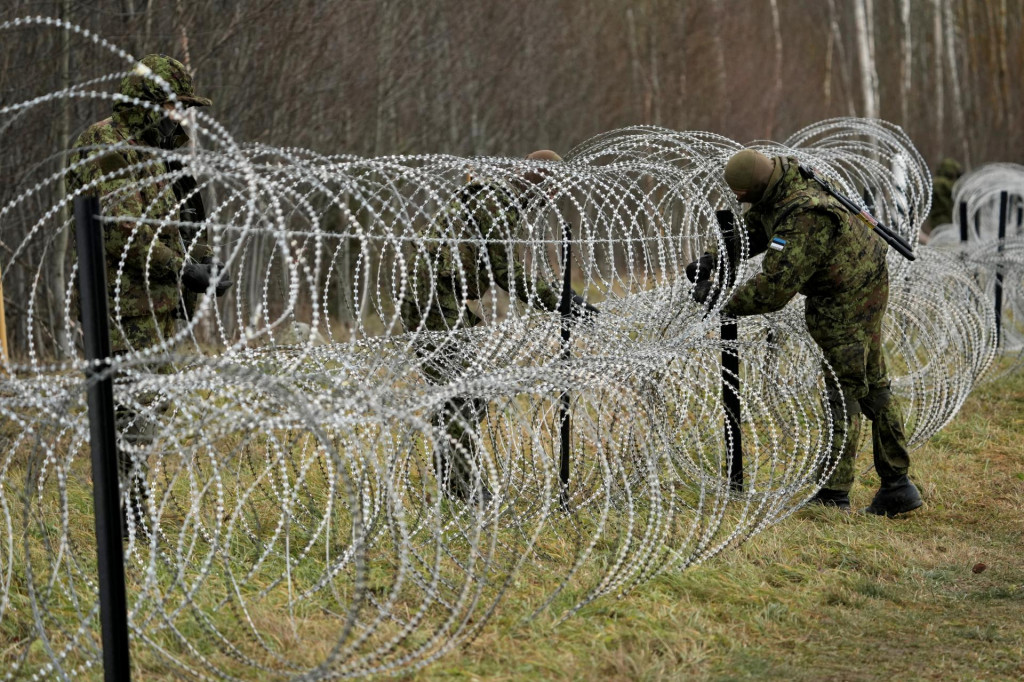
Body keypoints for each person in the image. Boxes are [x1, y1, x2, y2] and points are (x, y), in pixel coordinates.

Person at [65, 54, 231, 537]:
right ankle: (125, 525)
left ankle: (133, 516)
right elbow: (121, 229)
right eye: (176, 106)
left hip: (162, 309)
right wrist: (186, 269)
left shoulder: (166, 152)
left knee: (145, 417)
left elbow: (189, 219)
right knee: (129, 419)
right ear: (150, 101)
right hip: (121, 309)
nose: (182, 116)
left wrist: (206, 262)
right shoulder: (106, 143)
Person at [708, 149, 922, 517]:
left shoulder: (804, 214)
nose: (740, 201)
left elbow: (775, 288)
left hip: (847, 295)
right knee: (870, 383)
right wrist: (715, 257)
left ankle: (837, 493)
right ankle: (897, 486)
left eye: (742, 194)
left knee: (847, 390)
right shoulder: (784, 180)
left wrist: (722, 298)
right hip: (861, 277)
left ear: (757, 184)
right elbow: (757, 226)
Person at [401, 150, 597, 503]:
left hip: (443, 295)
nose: (550, 201)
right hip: (432, 297)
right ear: (544, 186)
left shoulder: (498, 199)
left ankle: (454, 476)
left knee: (463, 393)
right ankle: (462, 486)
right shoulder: (497, 204)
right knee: (463, 393)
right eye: (551, 191)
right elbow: (504, 272)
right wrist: (560, 299)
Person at [929, 157, 963, 230]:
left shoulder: (938, 182)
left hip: (941, 218)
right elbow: (954, 190)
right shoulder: (941, 183)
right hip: (942, 219)